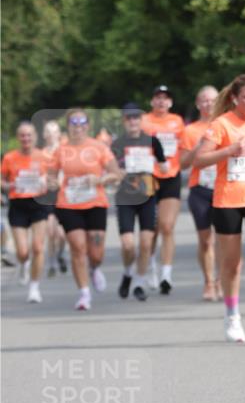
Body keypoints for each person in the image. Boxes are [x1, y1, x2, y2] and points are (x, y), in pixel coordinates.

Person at [194, 75, 245, 344]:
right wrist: (229, 150)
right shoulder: (220, 124)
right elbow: (199, 159)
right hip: (228, 198)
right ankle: (232, 316)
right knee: (232, 263)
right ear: (234, 98)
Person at [49, 108, 120, 310]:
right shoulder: (61, 150)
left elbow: (116, 173)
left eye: (81, 123)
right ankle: (84, 294)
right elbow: (52, 175)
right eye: (73, 123)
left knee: (96, 253)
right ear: (68, 126)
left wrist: (99, 179)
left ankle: (95, 268)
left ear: (87, 126)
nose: (77, 127)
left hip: (95, 203)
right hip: (69, 204)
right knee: (78, 248)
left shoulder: (99, 148)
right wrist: (52, 182)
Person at [112, 102, 169, 302]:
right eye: (129, 117)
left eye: (136, 117)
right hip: (125, 197)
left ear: (141, 119)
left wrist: (155, 166)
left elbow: (164, 167)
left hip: (147, 196)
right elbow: (110, 171)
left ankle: (139, 282)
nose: (133, 121)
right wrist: (120, 172)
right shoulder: (117, 144)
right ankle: (128, 272)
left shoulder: (152, 142)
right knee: (128, 245)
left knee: (145, 243)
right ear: (124, 121)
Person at [140, 85, 185, 294]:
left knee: (167, 226)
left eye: (165, 98)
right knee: (152, 228)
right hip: (149, 177)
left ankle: (166, 274)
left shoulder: (177, 121)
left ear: (171, 102)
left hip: (171, 176)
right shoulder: (144, 122)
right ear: (152, 101)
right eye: (157, 97)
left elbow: (183, 148)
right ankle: (151, 266)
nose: (161, 101)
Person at [1, 122, 51, 303]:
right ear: (18, 138)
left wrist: (47, 182)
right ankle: (24, 264)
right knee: (23, 251)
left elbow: (53, 179)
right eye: (22, 135)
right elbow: (2, 180)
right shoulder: (9, 158)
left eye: (29, 135)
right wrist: (8, 185)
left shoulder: (43, 157)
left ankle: (34, 288)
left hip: (38, 204)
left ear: (35, 137)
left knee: (37, 247)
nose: (26, 139)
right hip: (18, 204)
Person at [180, 85, 221, 301]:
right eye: (204, 100)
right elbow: (183, 164)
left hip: (224, 187)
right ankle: (208, 282)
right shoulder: (190, 130)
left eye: (213, 100)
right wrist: (199, 147)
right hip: (200, 188)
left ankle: (221, 280)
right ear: (198, 104)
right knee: (205, 240)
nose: (209, 104)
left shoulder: (226, 124)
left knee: (224, 238)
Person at [42, 119, 68, 277]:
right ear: (44, 135)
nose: (51, 135)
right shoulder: (41, 154)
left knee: (62, 234)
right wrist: (46, 181)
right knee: (51, 232)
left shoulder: (65, 152)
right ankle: (51, 262)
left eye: (54, 132)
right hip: (47, 197)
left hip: (64, 196)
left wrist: (59, 181)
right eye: (48, 132)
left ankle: (60, 254)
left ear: (59, 134)